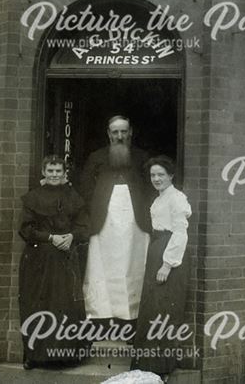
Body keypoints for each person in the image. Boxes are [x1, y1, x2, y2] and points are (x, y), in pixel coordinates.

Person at [18, 155, 90, 369]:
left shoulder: (73, 197)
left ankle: (67, 356)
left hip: (65, 260)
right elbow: (25, 229)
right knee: (36, 304)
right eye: (50, 171)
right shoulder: (33, 198)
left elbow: (84, 226)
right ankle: (34, 355)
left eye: (58, 171)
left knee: (65, 306)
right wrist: (50, 238)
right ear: (44, 172)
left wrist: (71, 237)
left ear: (64, 173)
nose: (54, 175)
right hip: (38, 261)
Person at [79, 115, 152, 322]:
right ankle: (102, 317)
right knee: (102, 268)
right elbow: (85, 189)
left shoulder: (141, 157)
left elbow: (150, 189)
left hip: (135, 224)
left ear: (130, 133)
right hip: (104, 223)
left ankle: (132, 318)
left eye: (123, 131)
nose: (119, 136)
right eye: (115, 132)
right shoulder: (96, 157)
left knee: (134, 267)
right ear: (108, 134)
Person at [131, 156, 193, 375]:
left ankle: (160, 366)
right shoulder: (159, 198)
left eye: (161, 175)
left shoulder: (177, 199)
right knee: (152, 307)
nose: (156, 179)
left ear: (171, 176)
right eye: (153, 175)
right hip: (158, 248)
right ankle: (148, 365)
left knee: (163, 308)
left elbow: (180, 232)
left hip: (169, 253)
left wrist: (167, 264)